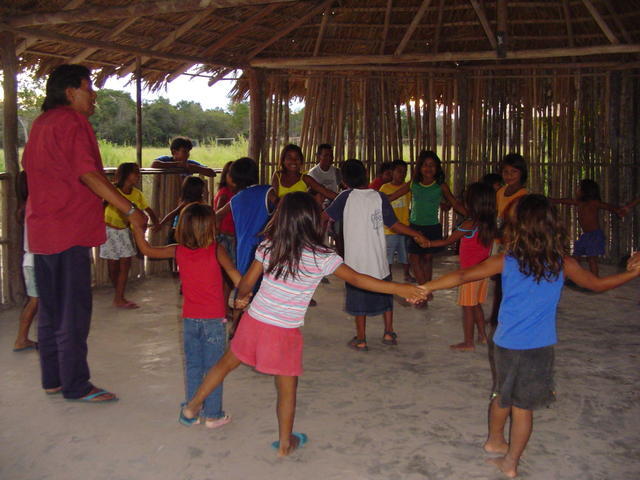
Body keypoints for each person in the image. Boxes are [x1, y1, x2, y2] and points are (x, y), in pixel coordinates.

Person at [179, 192, 426, 456]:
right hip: (283, 332)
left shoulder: (269, 246)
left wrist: (242, 298)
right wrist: (399, 288)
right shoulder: (322, 256)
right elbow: (358, 279)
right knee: (287, 391)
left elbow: (247, 282)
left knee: (224, 365)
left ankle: (191, 408)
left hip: (254, 321)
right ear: (313, 221)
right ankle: (285, 443)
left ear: (280, 218)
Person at [420, 194, 640, 478]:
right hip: (538, 347)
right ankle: (510, 463)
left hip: (505, 344)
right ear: (553, 226)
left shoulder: (506, 260)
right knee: (523, 408)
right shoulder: (563, 263)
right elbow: (597, 284)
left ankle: (494, 441)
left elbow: (463, 276)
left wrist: (426, 287)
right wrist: (631, 274)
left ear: (518, 227)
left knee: (502, 395)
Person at [22, 64, 146, 402]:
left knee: (51, 310)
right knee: (73, 312)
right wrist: (130, 210)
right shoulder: (72, 122)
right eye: (88, 88)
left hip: (42, 231)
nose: (94, 95)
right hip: (68, 230)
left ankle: (53, 379)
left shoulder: (41, 124)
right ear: (70, 92)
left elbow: (31, 168)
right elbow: (88, 174)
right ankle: (76, 385)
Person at [132, 202, 241, 429]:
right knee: (214, 368)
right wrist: (248, 294)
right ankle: (213, 415)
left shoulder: (177, 250)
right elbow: (235, 276)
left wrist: (136, 228)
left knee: (193, 366)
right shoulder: (216, 250)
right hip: (214, 320)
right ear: (210, 227)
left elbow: (147, 250)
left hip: (190, 319)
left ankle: (193, 409)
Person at [325, 159, 430, 351]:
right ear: (366, 174)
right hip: (378, 261)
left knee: (358, 300)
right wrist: (415, 234)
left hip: (355, 266)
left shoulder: (344, 198)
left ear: (345, 181)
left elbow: (325, 217)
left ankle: (361, 339)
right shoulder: (379, 197)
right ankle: (389, 332)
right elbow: (394, 224)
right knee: (386, 293)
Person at [386, 150, 467, 304]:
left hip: (432, 227)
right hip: (415, 227)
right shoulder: (413, 184)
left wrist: (469, 215)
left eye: (432, 165)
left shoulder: (440, 185)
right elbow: (393, 196)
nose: (428, 168)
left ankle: (426, 289)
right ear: (419, 167)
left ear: (437, 168)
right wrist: (375, 199)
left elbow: (454, 203)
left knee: (427, 259)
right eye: (425, 165)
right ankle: (424, 290)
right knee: (414, 258)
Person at [427, 182, 497, 350]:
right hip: (482, 273)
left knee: (467, 308)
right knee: (476, 305)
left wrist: (428, 243)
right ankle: (482, 336)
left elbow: (447, 241)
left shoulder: (469, 225)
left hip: (468, 275)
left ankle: (468, 342)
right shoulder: (489, 224)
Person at [215, 157, 277, 336]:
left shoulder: (235, 200)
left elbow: (217, 216)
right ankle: (262, 327)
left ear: (234, 179)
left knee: (242, 288)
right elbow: (282, 208)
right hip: (265, 249)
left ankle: (236, 328)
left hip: (243, 250)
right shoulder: (267, 192)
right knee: (265, 288)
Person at [100, 163, 159, 309]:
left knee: (125, 263)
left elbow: (147, 209)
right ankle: (118, 292)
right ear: (126, 174)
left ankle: (119, 297)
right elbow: (101, 206)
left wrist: (156, 222)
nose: (138, 175)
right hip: (109, 231)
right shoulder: (113, 191)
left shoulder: (137, 194)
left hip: (124, 231)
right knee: (113, 266)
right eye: (135, 173)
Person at [551, 179, 622, 277]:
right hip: (586, 236)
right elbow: (566, 201)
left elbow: (608, 206)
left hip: (595, 235)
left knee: (591, 259)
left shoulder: (593, 203)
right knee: (576, 256)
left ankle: (595, 278)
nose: (577, 190)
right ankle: (574, 276)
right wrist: (554, 200)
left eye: (579, 188)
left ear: (586, 191)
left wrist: (618, 210)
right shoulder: (580, 203)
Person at [14, 171, 38, 352]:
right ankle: (21, 339)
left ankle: (22, 338)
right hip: (36, 260)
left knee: (35, 301)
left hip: (31, 260)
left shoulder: (25, 207)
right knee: (35, 301)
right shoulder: (34, 206)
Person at [380, 160, 414, 282]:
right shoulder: (385, 188)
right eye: (399, 171)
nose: (402, 174)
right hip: (389, 229)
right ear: (392, 172)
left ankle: (407, 274)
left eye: (405, 172)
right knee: (388, 254)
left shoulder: (407, 188)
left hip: (404, 226)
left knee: (405, 253)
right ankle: (388, 275)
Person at [271, 144, 338, 205]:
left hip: (301, 214)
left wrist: (343, 199)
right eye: (289, 158)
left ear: (301, 161)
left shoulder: (306, 179)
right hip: (281, 213)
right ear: (283, 160)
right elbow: (274, 201)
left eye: (297, 158)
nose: (294, 161)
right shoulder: (278, 176)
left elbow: (326, 192)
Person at [150, 136, 216, 177]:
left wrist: (195, 168)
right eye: (184, 151)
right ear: (174, 152)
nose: (188, 154)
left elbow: (212, 173)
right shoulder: (166, 159)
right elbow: (154, 164)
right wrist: (177, 164)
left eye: (188, 151)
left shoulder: (190, 163)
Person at [213, 161, 237, 266]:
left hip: (231, 235)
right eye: (231, 175)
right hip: (225, 236)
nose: (234, 178)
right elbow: (218, 213)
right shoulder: (224, 193)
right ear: (225, 176)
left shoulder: (236, 193)